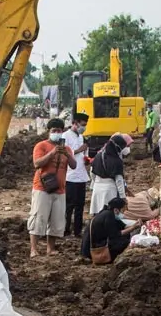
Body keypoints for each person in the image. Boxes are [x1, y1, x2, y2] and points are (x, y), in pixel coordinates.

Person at [29, 118, 73, 257]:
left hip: (60, 189)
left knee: (56, 220)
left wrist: (67, 155)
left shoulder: (67, 149)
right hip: (42, 188)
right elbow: (37, 164)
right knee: (38, 218)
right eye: (54, 131)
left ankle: (50, 248)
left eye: (59, 131)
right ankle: (33, 249)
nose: (57, 133)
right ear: (49, 132)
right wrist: (52, 153)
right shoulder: (41, 146)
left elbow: (74, 165)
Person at [81, 197, 137, 263]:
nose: (123, 212)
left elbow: (123, 226)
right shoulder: (108, 216)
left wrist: (136, 224)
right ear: (116, 209)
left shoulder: (108, 212)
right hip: (94, 249)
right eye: (123, 210)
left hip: (95, 242)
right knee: (125, 242)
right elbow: (116, 235)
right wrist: (133, 227)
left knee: (126, 236)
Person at [62, 113, 91, 237]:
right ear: (75, 123)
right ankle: (65, 229)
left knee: (80, 206)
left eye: (85, 125)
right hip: (70, 176)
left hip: (81, 176)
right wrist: (79, 150)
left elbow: (82, 155)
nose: (83, 127)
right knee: (69, 206)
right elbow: (63, 153)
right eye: (82, 125)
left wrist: (86, 159)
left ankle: (78, 231)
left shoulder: (81, 136)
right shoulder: (65, 136)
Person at [89, 133, 131, 215]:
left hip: (97, 187)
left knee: (97, 213)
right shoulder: (116, 161)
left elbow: (92, 172)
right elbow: (119, 181)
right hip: (109, 189)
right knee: (108, 214)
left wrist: (96, 182)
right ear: (118, 147)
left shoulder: (98, 156)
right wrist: (123, 198)